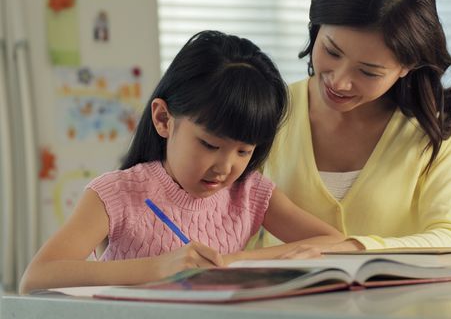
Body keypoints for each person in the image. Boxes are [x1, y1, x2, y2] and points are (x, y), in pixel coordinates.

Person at [20, 30, 343, 294]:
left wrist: (237, 260)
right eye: (209, 144)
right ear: (163, 119)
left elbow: (337, 242)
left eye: (243, 151)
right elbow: (37, 277)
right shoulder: (117, 193)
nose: (225, 167)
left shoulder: (249, 193)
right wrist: (160, 267)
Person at [256, 0, 451, 253]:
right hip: (282, 298)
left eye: (368, 72)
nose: (340, 82)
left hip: (404, 300)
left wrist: (350, 249)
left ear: (407, 66)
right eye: (331, 51)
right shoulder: (268, 110)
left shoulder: (439, 127)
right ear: (316, 28)